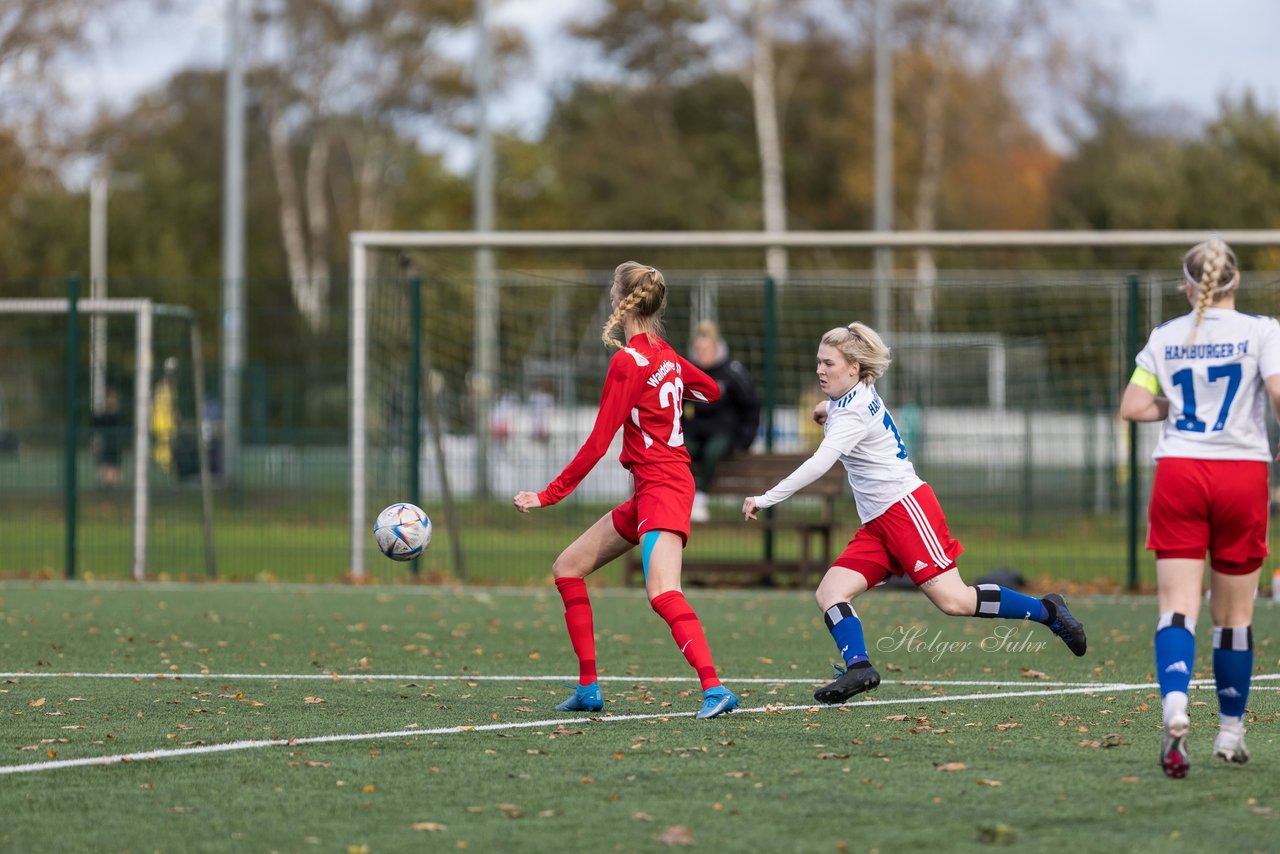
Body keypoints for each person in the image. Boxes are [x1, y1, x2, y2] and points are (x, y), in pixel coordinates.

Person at [741, 322, 1087, 706]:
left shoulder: (852, 411)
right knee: (830, 592)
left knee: (955, 602)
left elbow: (820, 463)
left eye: (828, 363)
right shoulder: (852, 395)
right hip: (878, 523)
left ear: (854, 367)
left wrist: (765, 497)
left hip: (907, 510)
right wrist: (827, 408)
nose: (820, 370)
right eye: (819, 363)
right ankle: (859, 668)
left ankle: (1048, 610)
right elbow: (844, 408)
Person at [513, 262, 739, 719]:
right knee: (567, 568)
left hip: (664, 488)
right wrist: (672, 390)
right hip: (651, 491)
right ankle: (589, 687)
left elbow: (598, 442)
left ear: (620, 300)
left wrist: (548, 494)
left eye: (613, 290)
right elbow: (712, 389)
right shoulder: (665, 355)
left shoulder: (629, 361)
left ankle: (715, 689)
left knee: (662, 591)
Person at [1119, 237, 1280, 779]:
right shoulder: (1262, 330)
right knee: (1234, 616)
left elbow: (1133, 405)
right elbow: (1278, 392)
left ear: (1188, 286)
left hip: (1180, 473)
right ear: (1236, 281)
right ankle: (1231, 732)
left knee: (1177, 607)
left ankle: (1174, 707)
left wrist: (1181, 405)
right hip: (1242, 474)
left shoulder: (1166, 335)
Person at [683, 321, 761, 522]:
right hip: (695, 432)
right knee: (681, 452)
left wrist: (745, 440)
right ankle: (685, 498)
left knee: (713, 451)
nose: (702, 354)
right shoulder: (688, 372)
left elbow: (751, 406)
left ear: (716, 348)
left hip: (723, 433)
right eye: (698, 349)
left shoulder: (732, 372)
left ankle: (700, 498)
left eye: (706, 349)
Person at [150, 357, 179, 475]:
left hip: (166, 421)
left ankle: (164, 466)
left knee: (166, 444)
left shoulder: (168, 389)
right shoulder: (162, 388)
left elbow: (171, 405)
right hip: (161, 421)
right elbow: (154, 404)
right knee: (164, 443)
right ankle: (162, 466)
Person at [91, 387, 125, 487]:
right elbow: (96, 430)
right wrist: (95, 443)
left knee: (114, 473)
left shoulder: (119, 417)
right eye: (109, 399)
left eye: (113, 399)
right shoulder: (102, 417)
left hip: (115, 445)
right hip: (106, 445)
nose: (111, 401)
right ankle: (106, 482)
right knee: (106, 471)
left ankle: (112, 482)